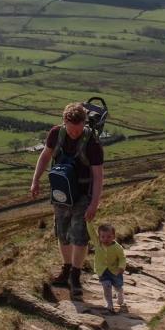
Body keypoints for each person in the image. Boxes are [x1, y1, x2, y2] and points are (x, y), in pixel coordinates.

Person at [30, 102, 104, 299]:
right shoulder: (56, 134)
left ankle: (75, 276)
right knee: (62, 232)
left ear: (84, 124)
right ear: (64, 123)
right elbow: (45, 155)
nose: (74, 134)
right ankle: (66, 269)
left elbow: (98, 175)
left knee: (79, 236)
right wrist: (35, 180)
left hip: (82, 194)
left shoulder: (92, 142)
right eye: (71, 130)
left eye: (78, 130)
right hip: (61, 192)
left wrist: (94, 203)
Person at [89, 221, 126, 313]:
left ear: (114, 236)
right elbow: (91, 232)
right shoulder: (98, 243)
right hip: (102, 270)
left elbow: (122, 258)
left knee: (117, 286)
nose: (106, 239)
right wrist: (88, 222)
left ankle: (120, 293)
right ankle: (109, 303)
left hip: (115, 271)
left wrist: (121, 267)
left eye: (109, 237)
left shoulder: (117, 247)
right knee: (106, 286)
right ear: (99, 237)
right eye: (103, 237)